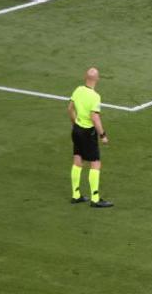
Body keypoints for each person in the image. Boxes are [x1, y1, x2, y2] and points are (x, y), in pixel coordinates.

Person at [67, 67, 113, 208]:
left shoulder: (78, 90)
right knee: (95, 162)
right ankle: (95, 198)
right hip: (88, 133)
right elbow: (95, 117)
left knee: (77, 159)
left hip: (77, 130)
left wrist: (75, 123)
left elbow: (70, 108)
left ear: (84, 77)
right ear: (97, 79)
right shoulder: (95, 96)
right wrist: (102, 135)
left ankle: (76, 195)